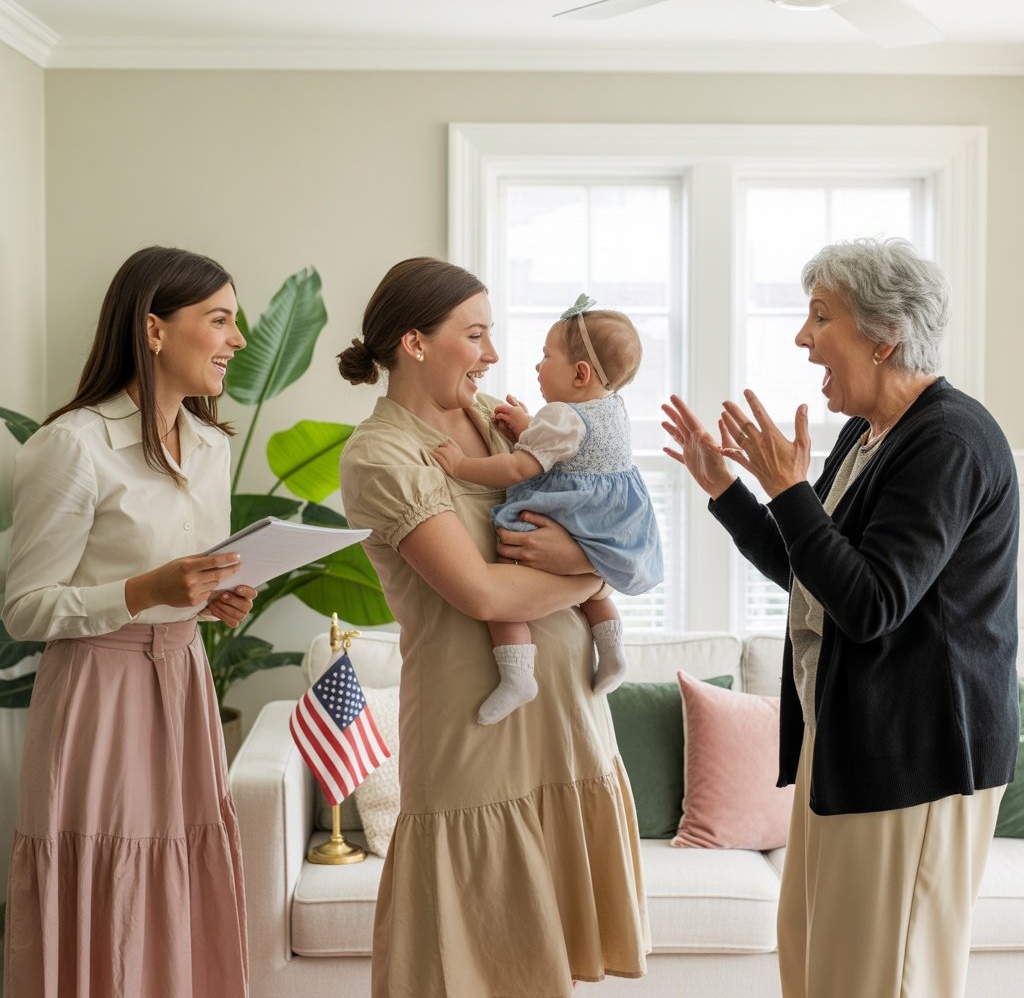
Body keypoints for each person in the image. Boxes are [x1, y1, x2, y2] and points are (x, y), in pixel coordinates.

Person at [661, 237, 1019, 998]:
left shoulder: (948, 441)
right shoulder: (867, 434)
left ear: (885, 336)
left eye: (821, 318)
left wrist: (791, 492)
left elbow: (871, 605)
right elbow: (811, 571)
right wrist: (727, 490)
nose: (802, 338)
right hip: (849, 739)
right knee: (820, 966)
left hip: (915, 751)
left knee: (885, 979)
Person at [337, 257, 650, 996]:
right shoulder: (381, 454)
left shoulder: (490, 419)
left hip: (566, 716)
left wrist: (595, 563)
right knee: (473, 964)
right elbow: (479, 592)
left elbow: (590, 501)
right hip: (474, 729)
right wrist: (594, 573)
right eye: (475, 335)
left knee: (550, 967)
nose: (493, 355)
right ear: (415, 343)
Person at [3, 246, 256, 997]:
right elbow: (23, 608)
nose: (236, 340)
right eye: (219, 320)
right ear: (153, 330)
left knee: (181, 866)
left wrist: (208, 599)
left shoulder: (211, 448)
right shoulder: (74, 444)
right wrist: (142, 592)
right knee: (105, 875)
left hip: (183, 683)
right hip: (97, 696)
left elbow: (186, 574)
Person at [433, 294, 663, 724]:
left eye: (546, 356)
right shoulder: (613, 406)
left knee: (509, 584)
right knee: (590, 581)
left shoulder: (562, 416)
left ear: (580, 373)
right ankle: (612, 651)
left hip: (564, 511)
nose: (538, 366)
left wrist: (463, 466)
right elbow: (571, 449)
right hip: (607, 521)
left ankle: (518, 673)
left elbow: (522, 465)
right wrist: (527, 426)